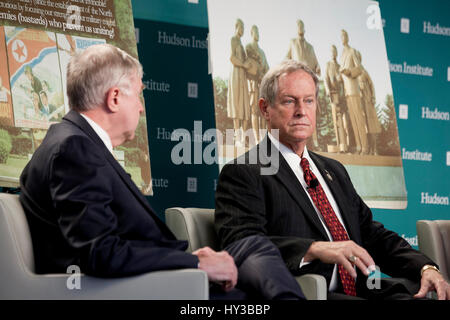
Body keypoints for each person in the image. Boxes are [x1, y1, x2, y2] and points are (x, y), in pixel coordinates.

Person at [19, 43, 242, 299]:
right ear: (114, 98)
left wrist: (189, 260)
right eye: (138, 95)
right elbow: (100, 252)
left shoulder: (75, 142)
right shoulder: (74, 148)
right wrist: (195, 264)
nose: (141, 107)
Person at [215, 59, 450, 300]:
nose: (301, 111)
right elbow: (242, 244)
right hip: (311, 292)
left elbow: (371, 234)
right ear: (265, 109)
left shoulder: (334, 170)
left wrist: (424, 267)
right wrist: (314, 249)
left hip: (365, 290)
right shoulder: (245, 171)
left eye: (309, 101)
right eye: (289, 101)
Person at [339, 29, 369, 155]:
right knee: (353, 121)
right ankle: (358, 146)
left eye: (344, 35)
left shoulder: (352, 52)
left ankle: (365, 147)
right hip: (347, 92)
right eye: (341, 36)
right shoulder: (342, 55)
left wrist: (350, 73)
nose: (343, 38)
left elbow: (360, 68)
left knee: (359, 119)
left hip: (354, 90)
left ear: (348, 37)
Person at [227, 18, 251, 146]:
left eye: (244, 28)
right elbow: (232, 57)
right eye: (241, 28)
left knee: (244, 105)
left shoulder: (242, 44)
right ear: (236, 27)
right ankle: (237, 136)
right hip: (236, 74)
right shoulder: (233, 39)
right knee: (236, 104)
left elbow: (247, 62)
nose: (242, 31)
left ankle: (243, 136)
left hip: (243, 76)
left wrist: (249, 65)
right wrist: (243, 65)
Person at [245, 25, 269, 144]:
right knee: (254, 111)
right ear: (251, 33)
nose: (257, 34)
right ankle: (256, 138)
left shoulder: (262, 52)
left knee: (263, 112)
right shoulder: (248, 47)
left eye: (258, 32)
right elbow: (248, 64)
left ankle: (264, 137)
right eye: (255, 32)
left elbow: (267, 68)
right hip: (253, 83)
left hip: (262, 84)